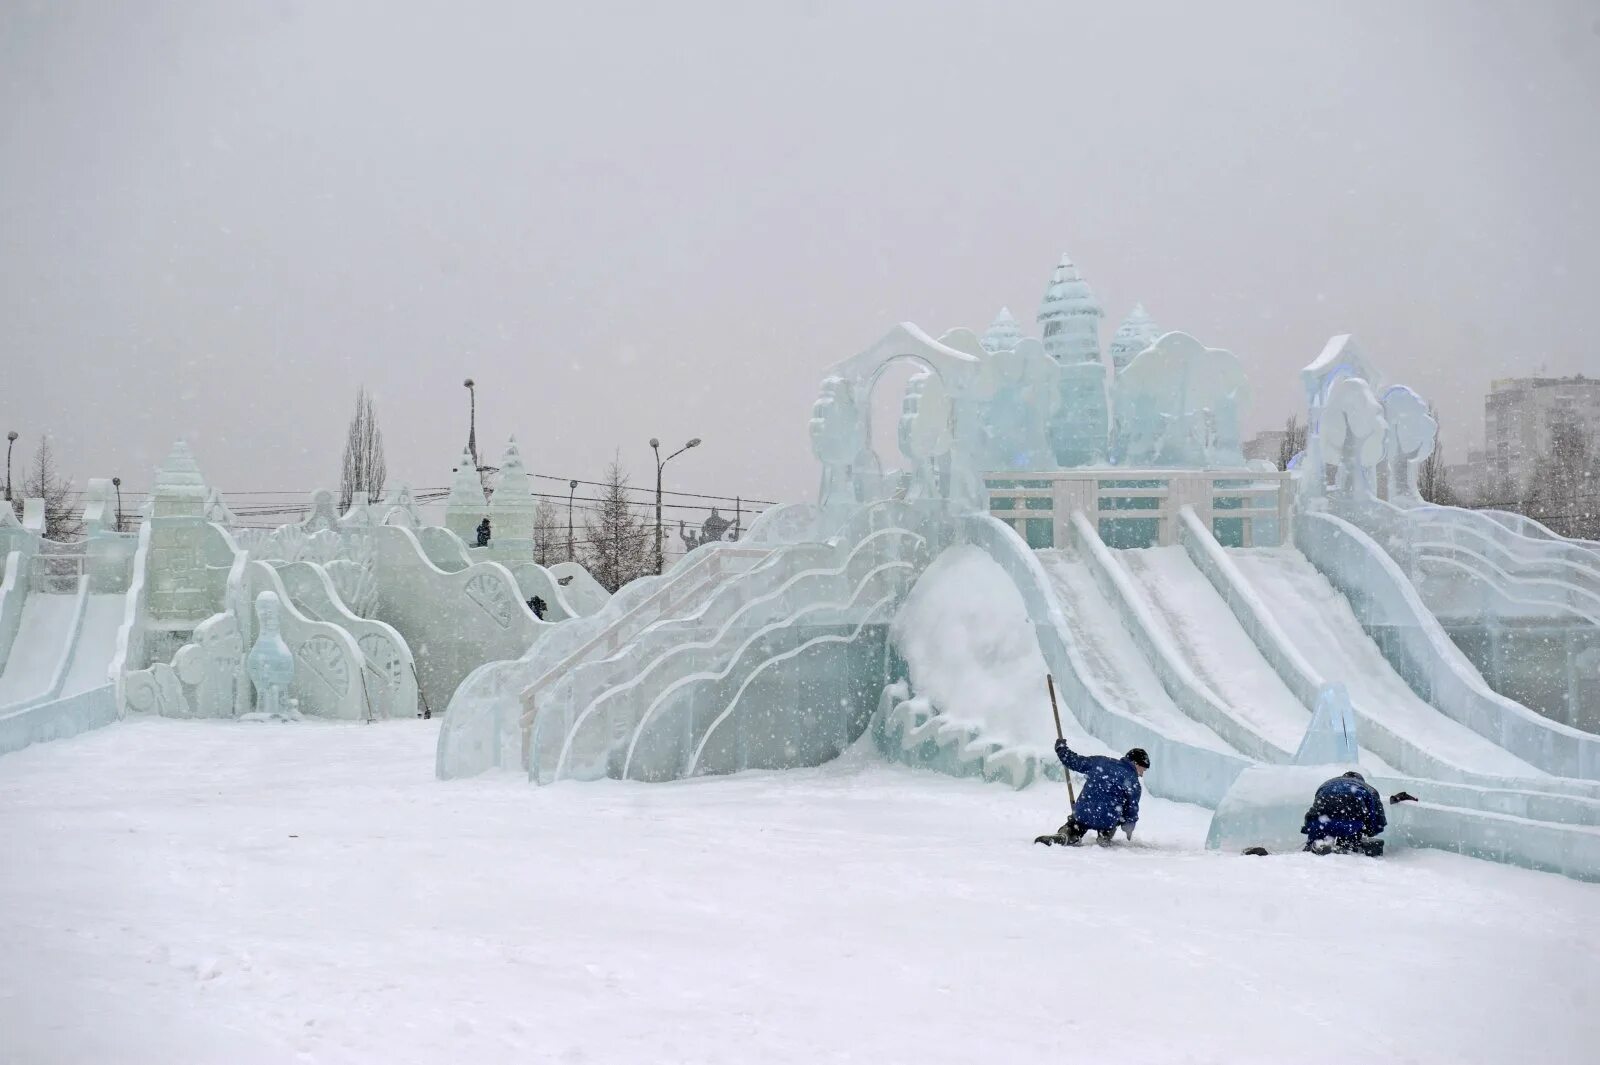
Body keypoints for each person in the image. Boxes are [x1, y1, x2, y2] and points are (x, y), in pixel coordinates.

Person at [1037, 742, 1149, 846]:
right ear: (1135, 763)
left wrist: (1061, 749)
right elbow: (1131, 809)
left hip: (1083, 812)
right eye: (1142, 770)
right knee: (1118, 813)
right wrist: (1128, 828)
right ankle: (1104, 835)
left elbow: (1075, 761)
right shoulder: (1133, 782)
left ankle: (1066, 835)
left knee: (1075, 825)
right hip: (1107, 820)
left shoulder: (1101, 762)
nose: (1141, 774)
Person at [1301, 771, 1413, 856]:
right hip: (1348, 825)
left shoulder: (1326, 785)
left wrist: (1309, 827)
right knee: (1353, 827)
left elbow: (1315, 809)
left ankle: (1315, 845)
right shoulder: (1368, 789)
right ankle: (1346, 847)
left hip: (1317, 823)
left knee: (1318, 835)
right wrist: (1370, 831)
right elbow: (1378, 819)